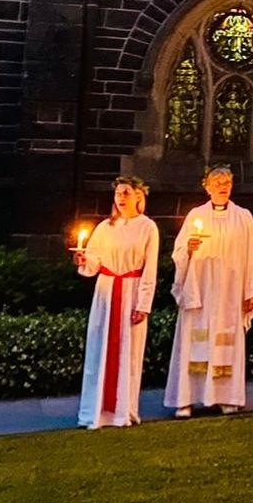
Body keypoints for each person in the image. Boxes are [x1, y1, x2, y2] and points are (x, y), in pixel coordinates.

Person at [165, 166, 253, 418]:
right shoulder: (195, 215)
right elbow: (178, 253)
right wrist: (188, 248)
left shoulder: (243, 216)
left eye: (227, 182)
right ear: (207, 187)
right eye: (217, 182)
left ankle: (226, 397)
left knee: (226, 341)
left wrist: (252, 291)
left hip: (230, 292)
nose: (222, 186)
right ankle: (186, 399)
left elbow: (251, 255)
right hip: (200, 290)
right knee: (193, 340)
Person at [74, 176, 159, 429]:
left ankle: (123, 411)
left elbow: (150, 268)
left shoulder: (147, 227)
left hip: (131, 291)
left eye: (126, 193)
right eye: (118, 194)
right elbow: (94, 260)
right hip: (107, 292)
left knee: (129, 353)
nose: (120, 198)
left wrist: (143, 303)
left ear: (138, 197)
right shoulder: (104, 228)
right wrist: (83, 260)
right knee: (99, 350)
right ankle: (94, 411)